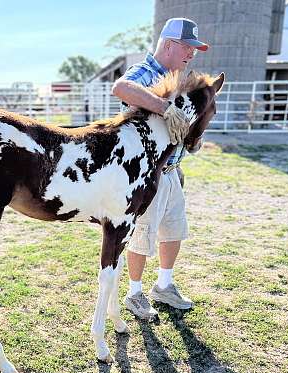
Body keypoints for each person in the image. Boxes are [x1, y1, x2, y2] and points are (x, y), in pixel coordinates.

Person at [111, 17, 209, 318]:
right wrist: (165, 107)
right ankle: (134, 292)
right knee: (143, 232)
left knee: (173, 229)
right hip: (146, 173)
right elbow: (121, 88)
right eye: (187, 47)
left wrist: (192, 143)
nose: (191, 54)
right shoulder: (146, 72)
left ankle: (164, 285)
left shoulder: (179, 77)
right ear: (168, 44)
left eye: (194, 49)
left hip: (171, 172)